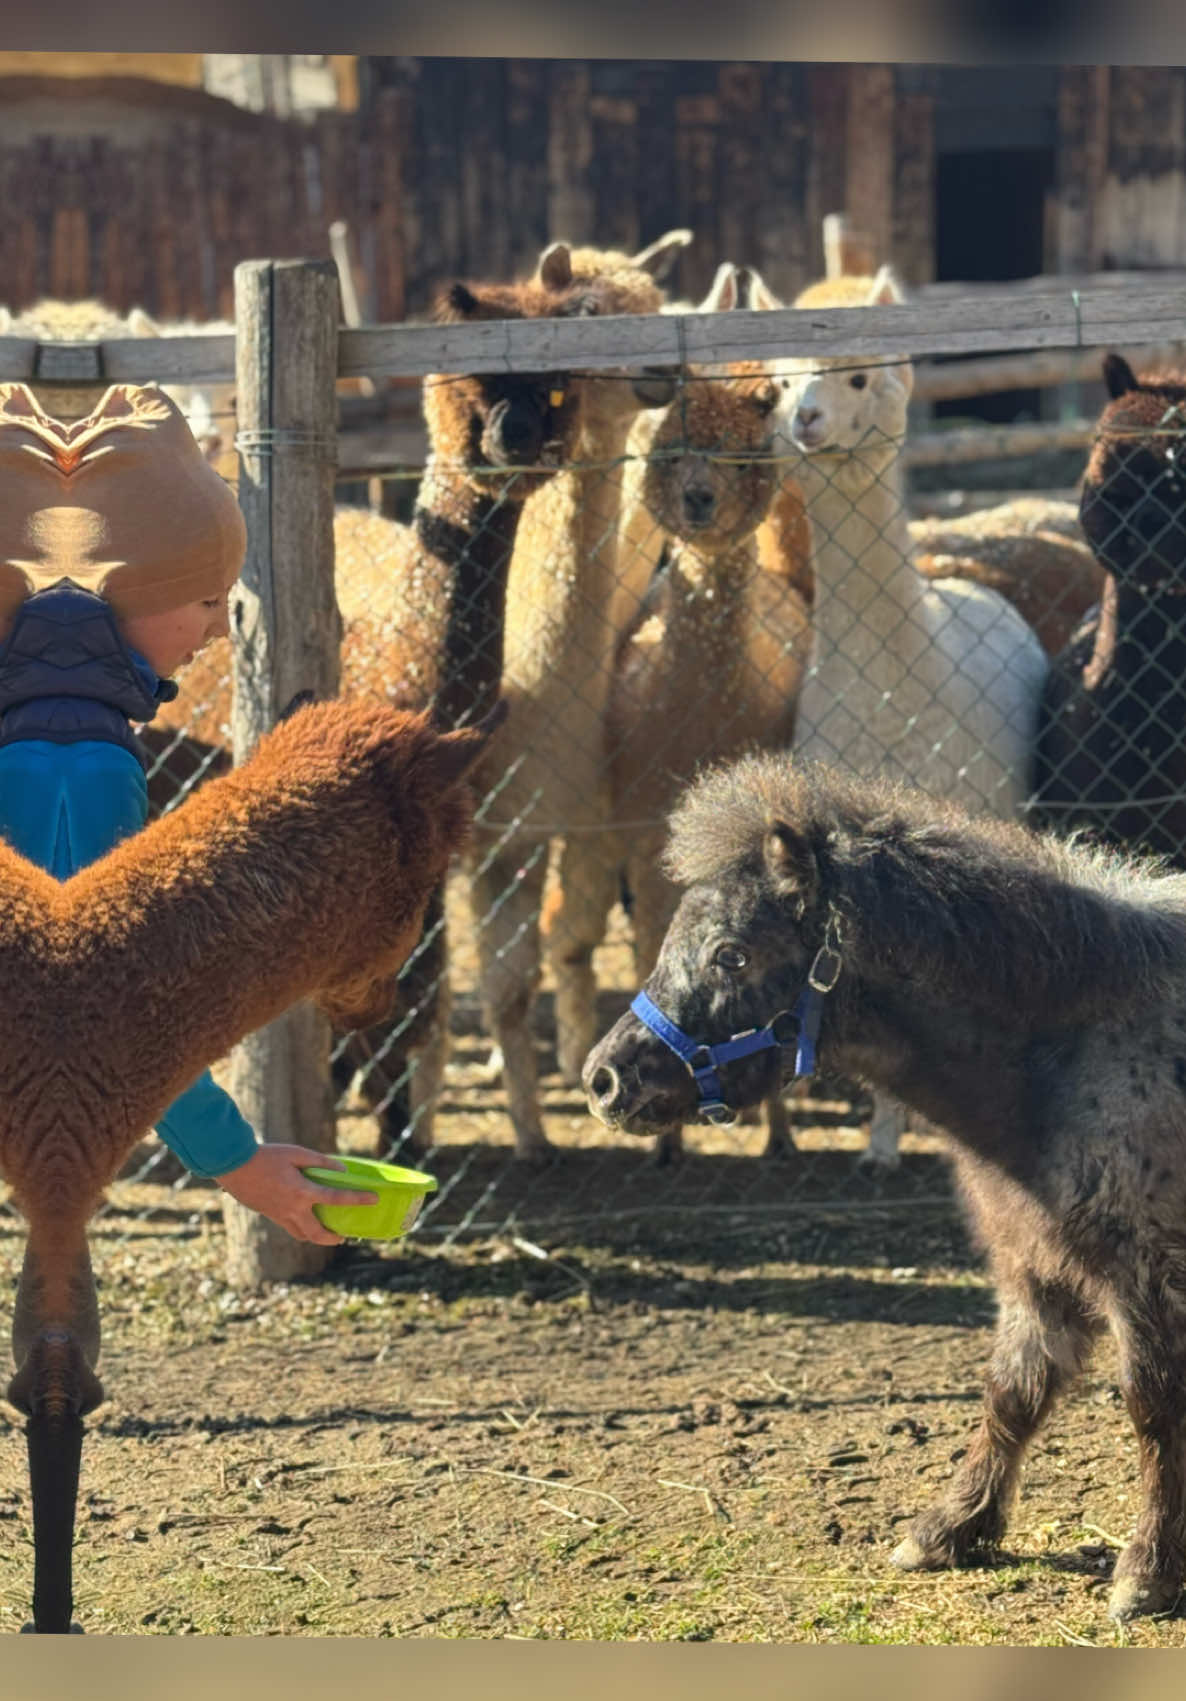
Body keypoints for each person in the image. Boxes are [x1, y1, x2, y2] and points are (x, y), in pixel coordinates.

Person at [0, 380, 376, 1244]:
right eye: (208, 601)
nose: (216, 632)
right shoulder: (76, 759)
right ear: (128, 591)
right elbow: (106, 993)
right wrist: (239, 1163)